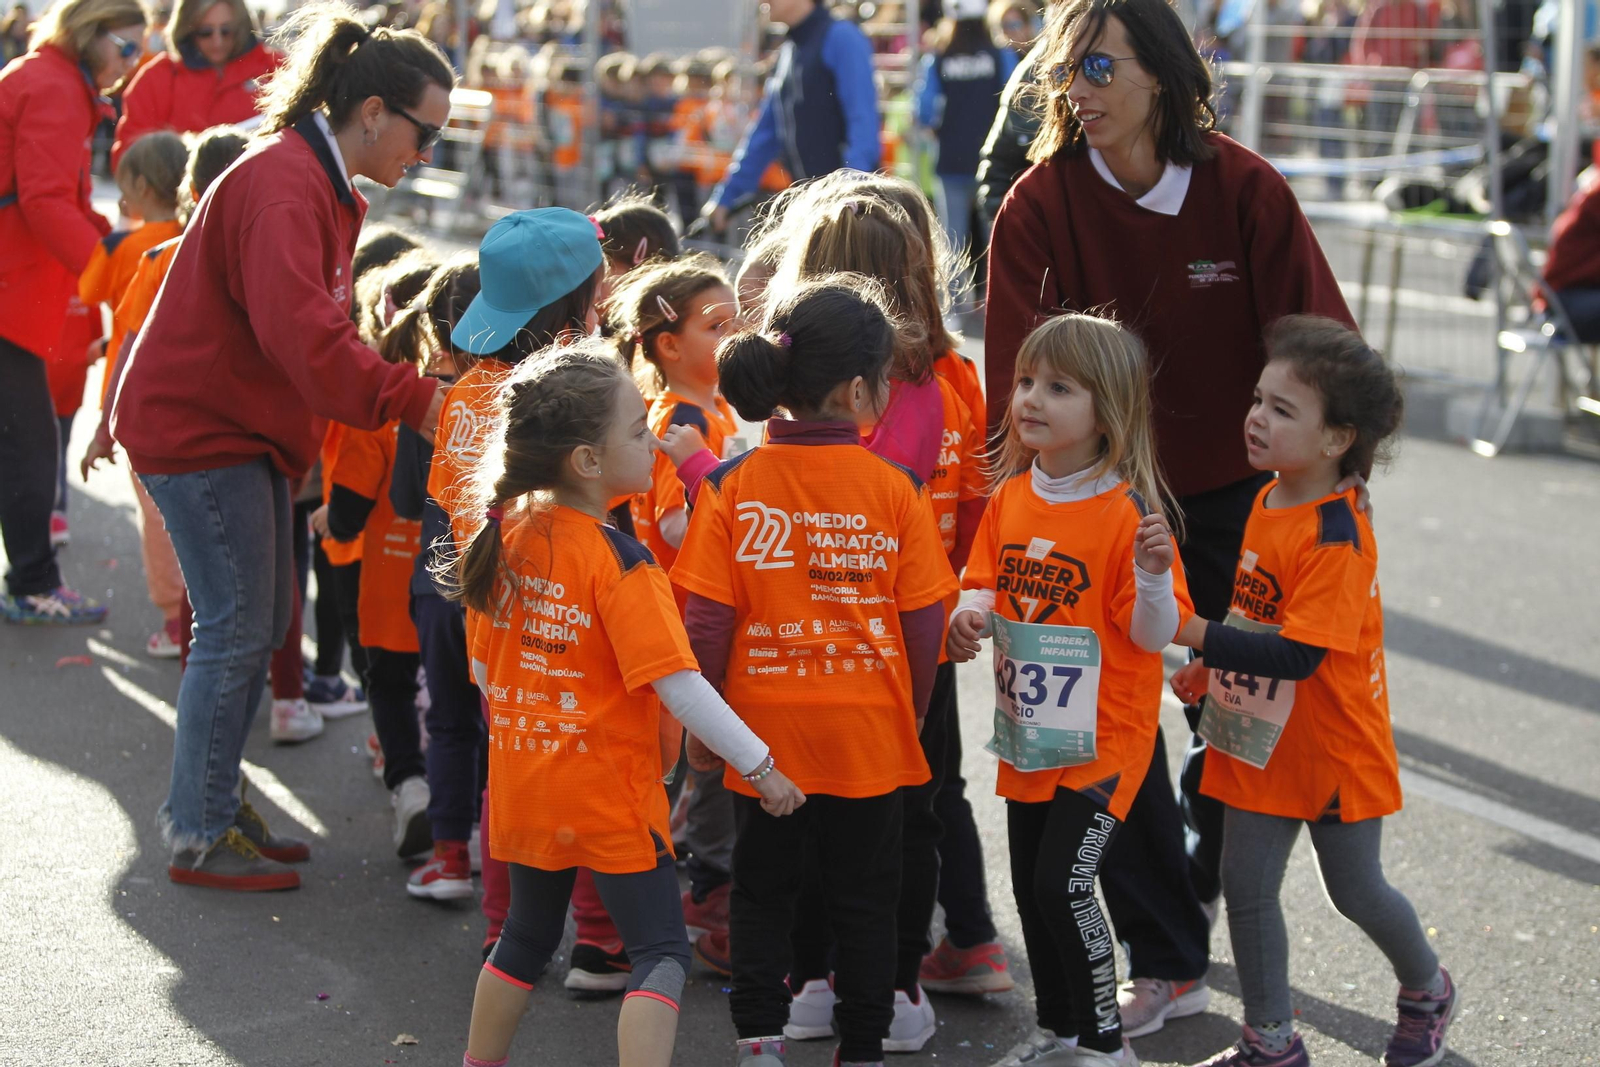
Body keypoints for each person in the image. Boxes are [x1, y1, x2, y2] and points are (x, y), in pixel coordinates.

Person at [983, 0, 1357, 1037]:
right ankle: (1167, 957)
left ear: (1163, 71)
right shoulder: (1039, 203)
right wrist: (1015, 528)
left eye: (1098, 67)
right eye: (1065, 72)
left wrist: (1331, 490)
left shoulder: (1243, 187)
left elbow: (1327, 352)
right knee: (1110, 735)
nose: (1078, 91)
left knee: (1238, 733)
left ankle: (1216, 881)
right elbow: (1009, 386)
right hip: (1104, 503)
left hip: (1244, 501)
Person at [110, 1, 454, 891]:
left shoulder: (311, 176)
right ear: (372, 112)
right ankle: (198, 823)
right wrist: (412, 398)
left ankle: (212, 798)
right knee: (233, 631)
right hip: (201, 429)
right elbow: (305, 334)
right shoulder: (283, 182)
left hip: (235, 428)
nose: (427, 156)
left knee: (250, 626)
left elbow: (304, 334)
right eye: (425, 133)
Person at [453, 342, 805, 1067]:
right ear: (587, 461)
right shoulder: (622, 561)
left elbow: (485, 672)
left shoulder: (506, 538)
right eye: (639, 432)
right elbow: (676, 683)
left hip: (525, 783)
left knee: (523, 937)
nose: (654, 443)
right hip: (609, 791)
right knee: (661, 952)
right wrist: (761, 764)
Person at [671, 275, 958, 1067]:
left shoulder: (732, 484)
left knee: (763, 892)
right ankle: (860, 1047)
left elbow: (706, 623)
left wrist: (708, 736)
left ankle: (760, 1039)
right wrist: (913, 712)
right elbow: (924, 624)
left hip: (764, 737)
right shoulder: (896, 489)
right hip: (870, 735)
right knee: (867, 902)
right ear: (861, 389)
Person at [1168, 316, 1456, 1067]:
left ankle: (1426, 987)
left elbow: (1296, 653)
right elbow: (1256, 612)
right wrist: (1211, 670)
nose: (1256, 417)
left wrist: (1193, 633)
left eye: (1282, 409)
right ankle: (1271, 1041)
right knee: (1246, 886)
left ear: (1337, 441)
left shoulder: (1335, 534)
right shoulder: (1270, 498)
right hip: (1259, 737)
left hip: (1330, 746)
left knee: (1355, 890)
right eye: (1258, 399)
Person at [949, 312, 1190, 1067]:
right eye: (1025, 380)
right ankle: (1061, 1032)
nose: (1030, 398)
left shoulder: (1130, 513)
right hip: (1029, 735)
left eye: (1058, 387)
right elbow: (983, 580)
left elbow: (1155, 635)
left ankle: (1106, 1044)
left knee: (1065, 884)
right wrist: (968, 614)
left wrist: (1153, 577)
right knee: (1029, 887)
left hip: (1104, 743)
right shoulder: (1013, 496)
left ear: (1107, 411)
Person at [427, 206, 610, 983]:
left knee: (514, 770)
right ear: (573, 304)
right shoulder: (576, 395)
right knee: (599, 769)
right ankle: (601, 934)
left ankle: (504, 931)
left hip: (489, 627)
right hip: (574, 621)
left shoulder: (466, 391)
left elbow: (445, 502)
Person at [606, 253, 743, 952]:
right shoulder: (678, 414)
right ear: (668, 344)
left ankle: (690, 872)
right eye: (718, 325)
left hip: (705, 612)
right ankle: (701, 892)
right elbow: (673, 523)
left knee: (701, 758)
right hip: (686, 618)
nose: (735, 333)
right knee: (701, 753)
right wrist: (730, 495)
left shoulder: (715, 406)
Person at [0, 0, 145, 626]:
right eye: (128, 47)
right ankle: (33, 583)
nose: (132, 64)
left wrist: (106, 242)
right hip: (9, 287)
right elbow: (43, 199)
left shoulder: (49, 79)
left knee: (28, 440)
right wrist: (111, 272)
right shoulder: (54, 87)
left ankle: (32, 579)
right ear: (92, 36)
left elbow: (52, 196)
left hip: (15, 282)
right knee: (30, 444)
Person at [382, 256, 491, 905]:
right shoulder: (528, 394)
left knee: (448, 721)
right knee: (504, 726)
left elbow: (402, 498)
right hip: (503, 585)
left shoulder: (430, 395)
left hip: (437, 581)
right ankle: (505, 862)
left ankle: (451, 855)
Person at [325, 250, 440, 855]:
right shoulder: (470, 403)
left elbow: (345, 516)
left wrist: (331, 520)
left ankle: (410, 788)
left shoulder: (378, 415)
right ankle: (461, 822)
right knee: (453, 705)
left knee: (389, 689)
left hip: (388, 589)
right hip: (455, 591)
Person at [77, 129, 187, 654]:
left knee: (155, 514)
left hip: (127, 395)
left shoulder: (127, 246)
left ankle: (174, 615)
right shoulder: (193, 238)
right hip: (180, 396)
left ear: (139, 187)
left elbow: (89, 290)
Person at [703, 0, 879, 232]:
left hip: (846, 211)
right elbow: (765, 133)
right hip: (814, 205)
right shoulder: (788, 51)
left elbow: (863, 124)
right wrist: (726, 196)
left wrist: (851, 197)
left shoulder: (842, 37)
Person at [915, 0, 1017, 311]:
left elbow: (923, 110)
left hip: (951, 158)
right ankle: (995, 302)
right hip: (994, 160)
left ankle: (957, 305)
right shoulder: (1000, 54)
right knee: (996, 232)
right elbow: (1016, 99)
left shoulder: (938, 57)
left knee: (954, 236)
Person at [112, 0, 278, 168]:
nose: (217, 41)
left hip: (255, 186)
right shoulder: (159, 77)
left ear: (241, 28)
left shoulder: (274, 67)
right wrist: (178, 151)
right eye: (205, 32)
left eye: (227, 31)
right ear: (188, 29)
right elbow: (127, 158)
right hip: (178, 190)